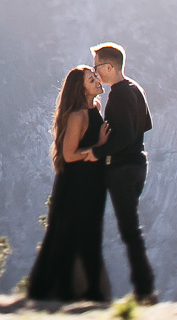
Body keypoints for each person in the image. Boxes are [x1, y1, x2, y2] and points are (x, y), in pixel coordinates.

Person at [25, 65, 112, 303]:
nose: (97, 80)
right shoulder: (77, 116)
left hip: (92, 181)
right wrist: (99, 146)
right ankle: (65, 291)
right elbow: (69, 155)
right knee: (69, 234)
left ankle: (88, 291)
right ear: (80, 89)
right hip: (75, 184)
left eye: (95, 77)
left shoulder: (94, 107)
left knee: (91, 234)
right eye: (91, 79)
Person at [90, 42, 156, 304]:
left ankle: (145, 290)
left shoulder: (118, 94)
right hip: (139, 164)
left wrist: (99, 151)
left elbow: (124, 135)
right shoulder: (134, 89)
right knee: (130, 229)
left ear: (108, 66)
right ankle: (143, 289)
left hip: (122, 169)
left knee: (130, 231)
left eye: (96, 67)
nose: (95, 73)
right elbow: (144, 125)